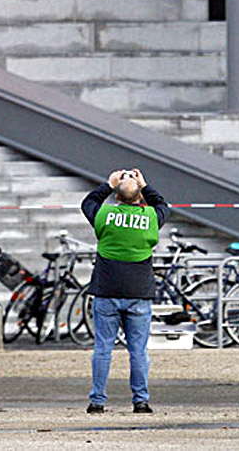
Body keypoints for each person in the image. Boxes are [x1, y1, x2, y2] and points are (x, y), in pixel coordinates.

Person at [81, 167, 170, 414]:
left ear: (117, 197)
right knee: (138, 351)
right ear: (139, 197)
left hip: (106, 290)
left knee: (103, 349)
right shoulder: (151, 216)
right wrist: (144, 184)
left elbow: (88, 202)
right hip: (139, 292)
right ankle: (140, 401)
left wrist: (108, 185)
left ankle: (97, 402)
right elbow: (163, 205)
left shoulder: (104, 213)